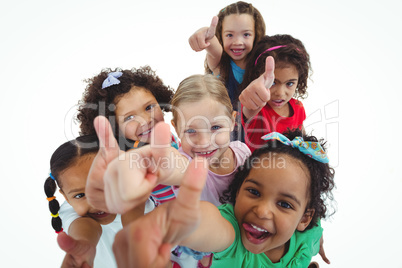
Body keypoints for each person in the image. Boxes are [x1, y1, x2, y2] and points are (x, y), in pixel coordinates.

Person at [111, 129, 335, 268]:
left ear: (304, 219)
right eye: (254, 192)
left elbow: (315, 230)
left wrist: (317, 239)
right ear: (238, 191)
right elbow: (207, 223)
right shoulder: (232, 235)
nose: (262, 211)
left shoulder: (308, 237)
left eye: (284, 204)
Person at [170, 74, 251, 266]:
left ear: (232, 121)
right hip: (204, 246)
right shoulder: (184, 164)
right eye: (191, 131)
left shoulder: (242, 153)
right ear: (176, 129)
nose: (204, 142)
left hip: (241, 239)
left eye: (215, 127)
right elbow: (171, 168)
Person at [77, 66, 180, 209]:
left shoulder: (168, 134)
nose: (146, 120)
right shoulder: (131, 158)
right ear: (116, 129)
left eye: (149, 107)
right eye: (130, 117)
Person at [44, 135, 155, 267]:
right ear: (66, 197)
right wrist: (84, 245)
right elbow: (85, 227)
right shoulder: (70, 213)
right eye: (80, 195)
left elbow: (131, 215)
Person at [188, 1, 266, 141]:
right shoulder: (220, 64)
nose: (237, 42)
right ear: (220, 36)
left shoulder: (260, 66)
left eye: (246, 34)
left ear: (256, 35)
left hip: (254, 138)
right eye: (230, 35)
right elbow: (213, 48)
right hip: (223, 139)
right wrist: (206, 34)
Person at [239, 34, 311, 152]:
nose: (280, 93)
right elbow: (248, 110)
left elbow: (303, 142)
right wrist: (251, 96)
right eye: (273, 83)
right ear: (257, 77)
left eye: (289, 84)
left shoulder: (298, 108)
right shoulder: (257, 109)